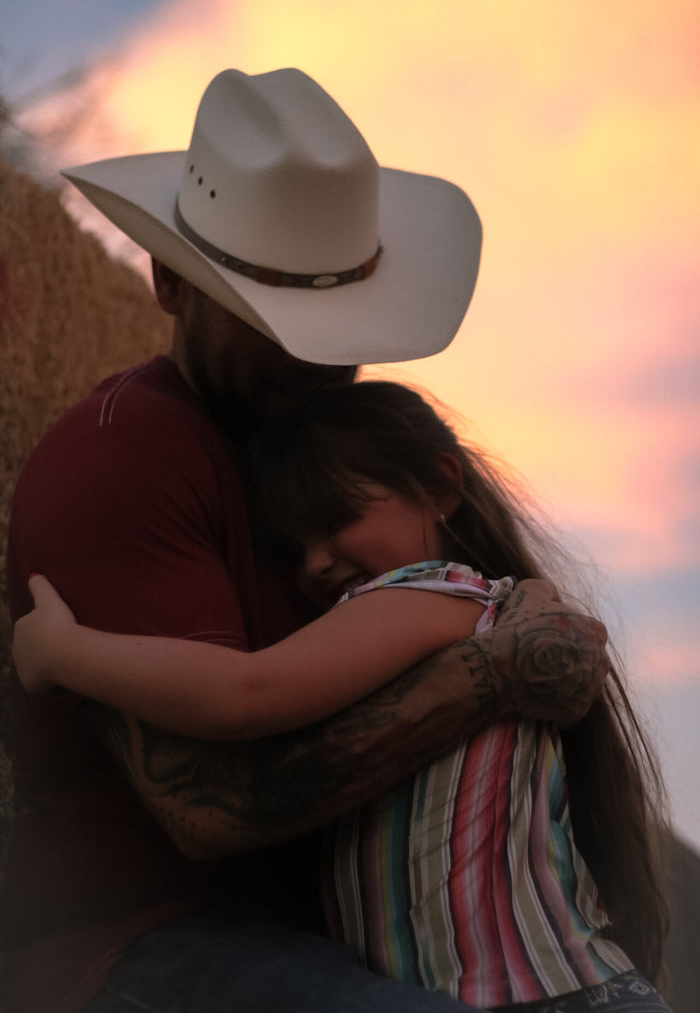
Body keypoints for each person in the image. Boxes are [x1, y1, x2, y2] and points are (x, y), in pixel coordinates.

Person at [3, 68, 613, 1013]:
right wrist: (495, 670)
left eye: (337, 323)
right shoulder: (122, 460)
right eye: (273, 320)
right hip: (135, 943)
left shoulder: (304, 458)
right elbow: (214, 805)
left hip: (326, 942)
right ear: (171, 281)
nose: (317, 357)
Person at [13, 381, 672, 1012]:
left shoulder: (432, 594)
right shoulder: (475, 616)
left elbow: (245, 692)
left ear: (440, 488)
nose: (315, 563)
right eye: (294, 549)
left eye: (336, 521)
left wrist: (65, 653)